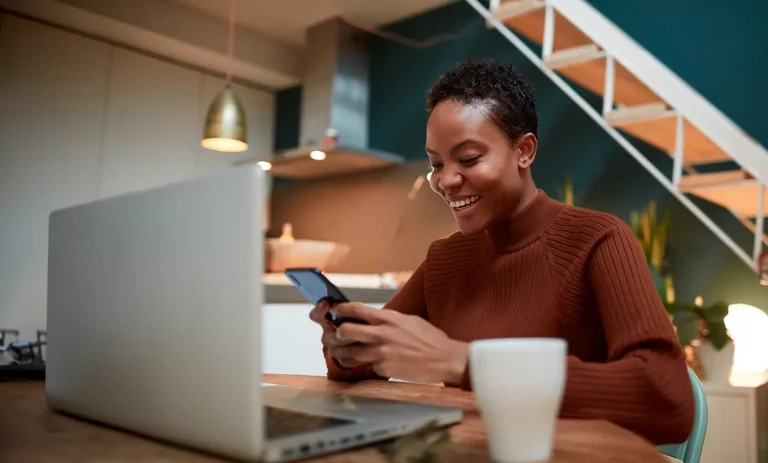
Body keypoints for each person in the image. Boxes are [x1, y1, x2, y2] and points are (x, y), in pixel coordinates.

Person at [308, 58, 694, 445]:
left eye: (469, 158)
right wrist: (347, 347)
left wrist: (460, 361)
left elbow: (668, 399)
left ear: (524, 151)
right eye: (436, 163)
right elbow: (363, 367)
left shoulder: (598, 240)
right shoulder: (444, 259)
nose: (446, 180)